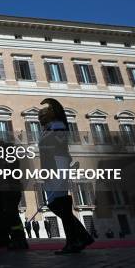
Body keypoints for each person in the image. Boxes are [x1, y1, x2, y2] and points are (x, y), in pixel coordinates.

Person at [38, 98, 94, 254]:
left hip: (57, 164)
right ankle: (82, 237)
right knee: (55, 204)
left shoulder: (57, 126)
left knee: (60, 203)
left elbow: (59, 146)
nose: (40, 118)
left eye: (43, 115)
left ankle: (73, 241)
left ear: (52, 115)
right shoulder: (47, 129)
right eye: (39, 116)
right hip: (49, 167)